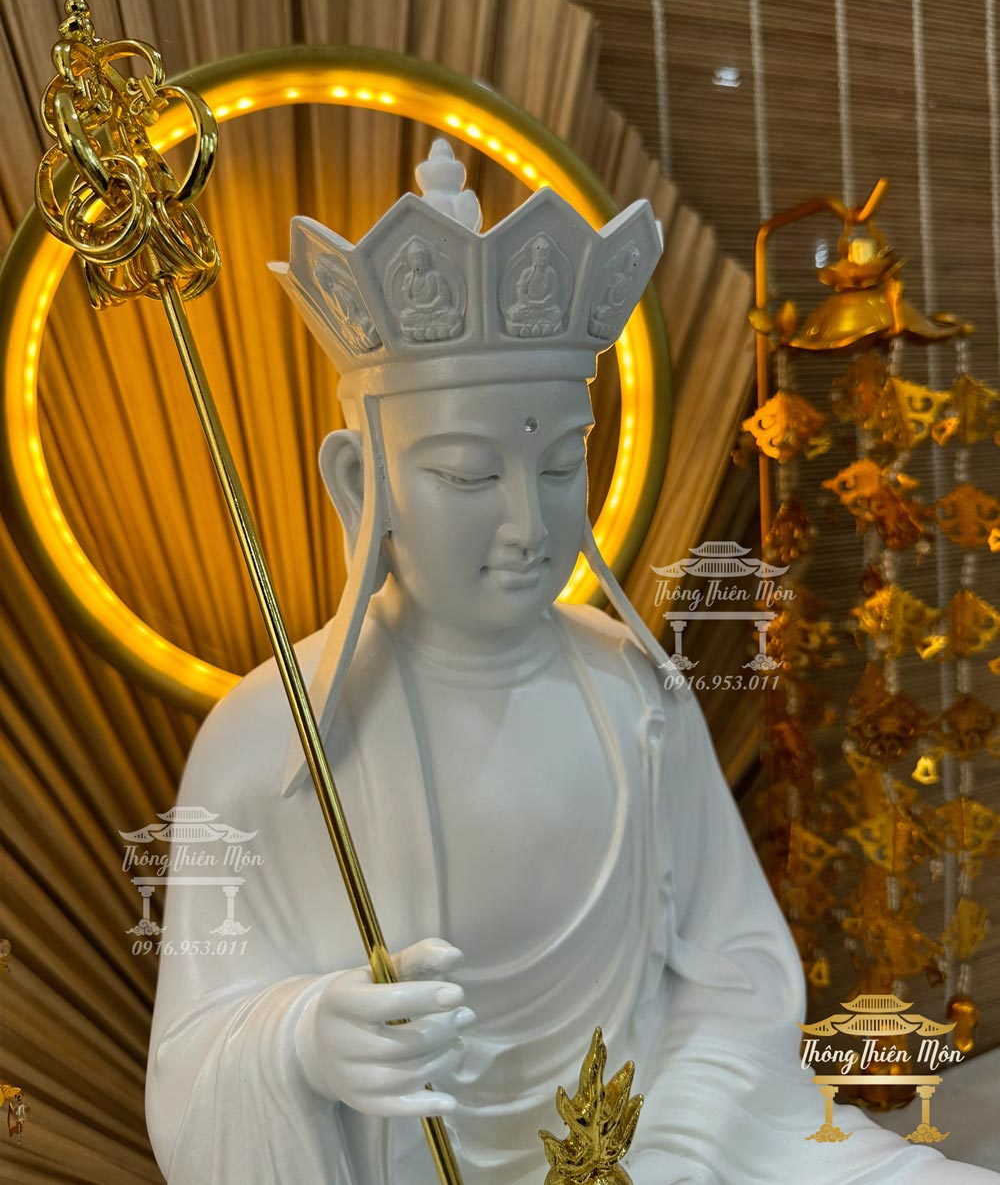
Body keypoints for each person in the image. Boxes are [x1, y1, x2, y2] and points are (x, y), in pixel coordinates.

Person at [145, 144, 997, 1184]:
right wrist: (298, 1042)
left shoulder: (632, 691)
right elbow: (191, 1063)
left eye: (559, 466)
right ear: (360, 481)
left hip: (668, 1150)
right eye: (469, 474)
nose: (527, 522)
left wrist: (675, 1145)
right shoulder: (270, 742)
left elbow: (735, 976)